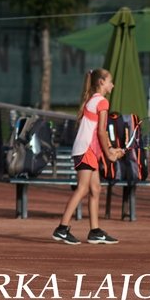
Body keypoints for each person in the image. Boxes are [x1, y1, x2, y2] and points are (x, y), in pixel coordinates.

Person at [53, 67, 125, 245]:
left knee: (96, 189)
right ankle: (62, 228)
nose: (113, 85)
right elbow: (100, 132)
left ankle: (95, 231)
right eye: (110, 81)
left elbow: (99, 133)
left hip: (88, 150)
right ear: (101, 82)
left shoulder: (93, 100)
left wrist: (112, 149)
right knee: (83, 188)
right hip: (85, 150)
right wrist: (109, 155)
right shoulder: (102, 102)